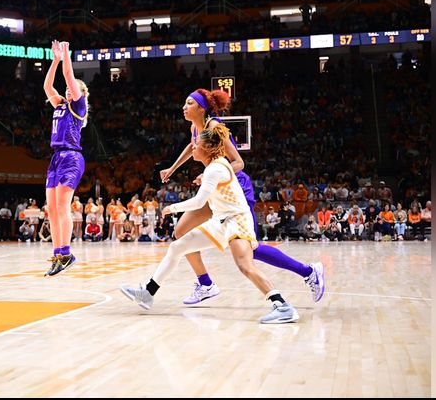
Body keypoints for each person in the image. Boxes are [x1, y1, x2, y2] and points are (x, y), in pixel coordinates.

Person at [121, 124, 301, 323]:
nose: (193, 147)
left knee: (245, 266)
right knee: (177, 247)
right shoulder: (215, 166)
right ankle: (148, 292)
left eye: (196, 144)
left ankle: (283, 306)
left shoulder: (215, 169)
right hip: (220, 221)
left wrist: (171, 208)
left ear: (206, 148)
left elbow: (198, 202)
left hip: (236, 221)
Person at [159, 89, 324, 305]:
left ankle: (308, 271)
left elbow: (238, 162)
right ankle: (205, 283)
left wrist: (214, 172)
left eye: (188, 102)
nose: (183, 107)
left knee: (249, 251)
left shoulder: (215, 127)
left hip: (236, 190)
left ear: (201, 108)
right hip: (217, 191)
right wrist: (172, 168)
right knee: (181, 232)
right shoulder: (194, 128)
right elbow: (192, 147)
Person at [42, 40, 89, 276]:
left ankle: (66, 252)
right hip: (56, 157)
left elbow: (68, 74)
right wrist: (55, 60)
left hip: (71, 157)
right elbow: (48, 86)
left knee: (62, 206)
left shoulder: (78, 107)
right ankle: (58, 255)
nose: (69, 89)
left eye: (74, 88)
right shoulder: (59, 103)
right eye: (68, 88)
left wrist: (66, 53)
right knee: (51, 209)